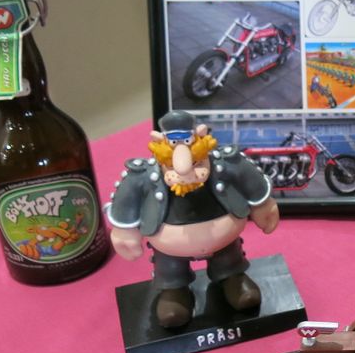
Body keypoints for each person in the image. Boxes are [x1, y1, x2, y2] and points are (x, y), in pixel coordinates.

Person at [106, 111, 279, 328]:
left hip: (224, 241)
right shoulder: (143, 175)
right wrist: (124, 232)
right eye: (171, 165)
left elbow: (250, 179)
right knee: (170, 268)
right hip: (169, 249)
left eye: (197, 163)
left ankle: (233, 277)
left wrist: (263, 206)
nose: (186, 172)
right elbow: (126, 199)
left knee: (228, 258)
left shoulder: (225, 162)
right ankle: (174, 290)